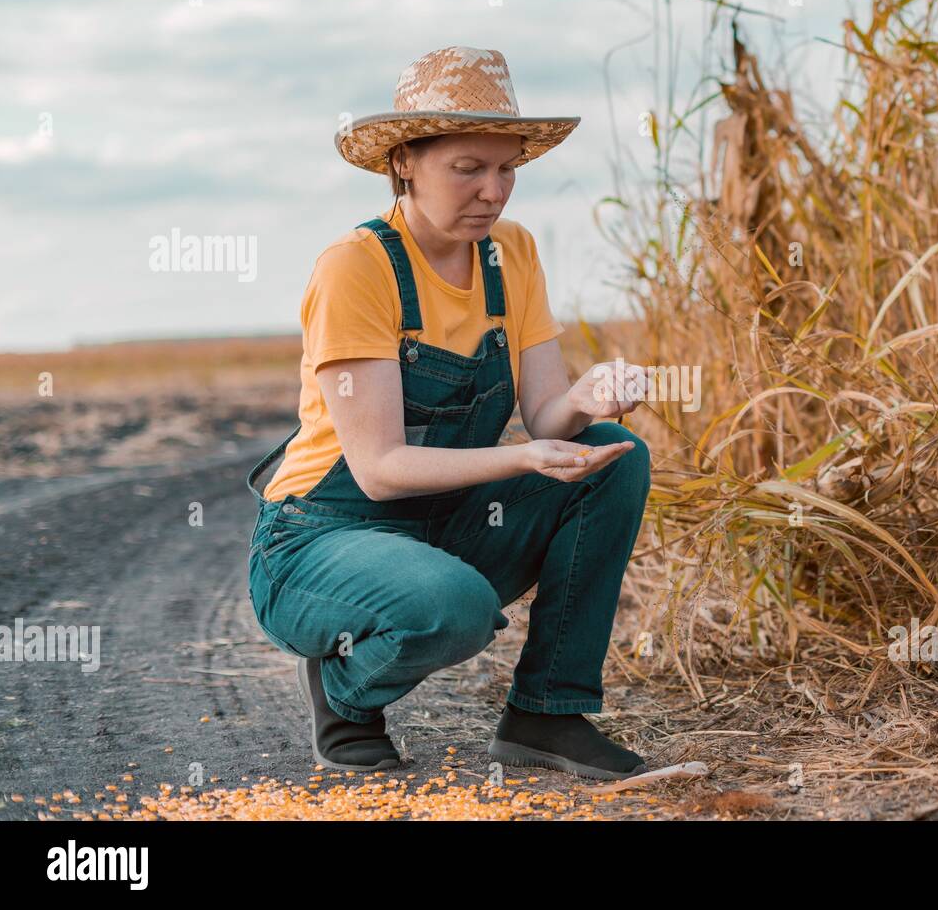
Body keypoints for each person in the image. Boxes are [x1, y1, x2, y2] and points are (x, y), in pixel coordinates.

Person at [245, 46, 653, 780]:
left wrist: (586, 400)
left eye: (506, 169)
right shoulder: (357, 268)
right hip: (320, 540)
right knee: (453, 605)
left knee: (613, 457)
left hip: (444, 522)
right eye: (469, 167)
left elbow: (548, 418)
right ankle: (344, 688)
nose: (493, 191)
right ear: (405, 161)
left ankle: (548, 714)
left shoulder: (512, 254)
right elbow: (378, 470)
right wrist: (525, 458)